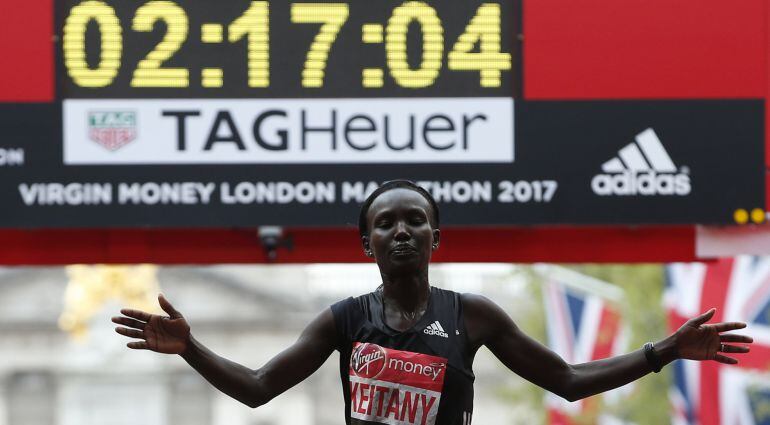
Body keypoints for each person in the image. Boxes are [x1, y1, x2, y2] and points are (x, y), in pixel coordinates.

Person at [113, 180, 753, 425]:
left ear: (435, 236)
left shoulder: (471, 316)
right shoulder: (344, 320)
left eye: (414, 221)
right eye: (385, 223)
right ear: (367, 243)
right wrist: (190, 348)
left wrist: (663, 351)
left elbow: (564, 379)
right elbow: (257, 389)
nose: (400, 230)